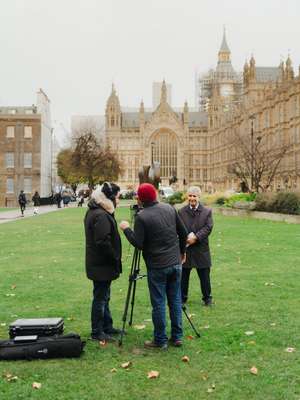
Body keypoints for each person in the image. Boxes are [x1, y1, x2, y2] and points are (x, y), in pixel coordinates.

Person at [120, 183, 187, 350]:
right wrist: (182, 252)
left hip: (157, 266)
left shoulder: (142, 217)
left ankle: (160, 340)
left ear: (140, 199)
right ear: (155, 195)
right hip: (174, 262)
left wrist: (126, 229)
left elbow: (138, 243)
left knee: (159, 303)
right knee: (175, 300)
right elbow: (184, 232)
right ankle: (177, 336)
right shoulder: (170, 208)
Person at [84, 182, 122, 342]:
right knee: (100, 298)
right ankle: (97, 331)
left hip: (99, 264)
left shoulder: (97, 212)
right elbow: (102, 241)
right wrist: (114, 257)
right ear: (110, 197)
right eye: (118, 197)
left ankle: (107, 326)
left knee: (104, 296)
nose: (119, 200)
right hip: (101, 264)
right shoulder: (100, 215)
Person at [178, 186, 213, 306]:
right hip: (186, 248)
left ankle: (207, 298)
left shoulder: (207, 211)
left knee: (204, 276)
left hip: (201, 248)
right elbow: (179, 227)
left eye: (194, 196)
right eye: (190, 196)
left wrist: (196, 237)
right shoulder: (181, 211)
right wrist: (187, 237)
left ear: (199, 197)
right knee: (183, 276)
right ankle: (182, 298)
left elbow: (208, 227)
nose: (192, 198)